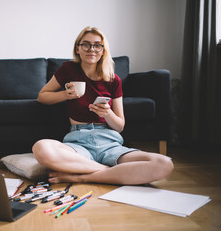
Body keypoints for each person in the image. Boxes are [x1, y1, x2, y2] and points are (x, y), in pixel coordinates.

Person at [32, 27, 174, 185]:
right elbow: (42, 96)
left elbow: (120, 126)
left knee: (165, 164)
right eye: (86, 44)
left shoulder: (114, 80)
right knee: (41, 148)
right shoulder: (68, 69)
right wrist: (65, 94)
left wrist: (108, 114)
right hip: (78, 143)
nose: (91, 49)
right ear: (77, 49)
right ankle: (109, 172)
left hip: (110, 144)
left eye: (97, 45)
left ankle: (82, 176)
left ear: (103, 50)